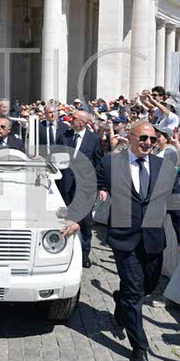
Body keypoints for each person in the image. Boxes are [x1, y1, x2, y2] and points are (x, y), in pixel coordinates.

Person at [82, 120, 180, 361]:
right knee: (134, 292)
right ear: (130, 137)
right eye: (143, 138)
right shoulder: (111, 163)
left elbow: (178, 204)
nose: (148, 143)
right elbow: (89, 186)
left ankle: (121, 300)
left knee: (147, 287)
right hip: (124, 239)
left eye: (152, 139)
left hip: (153, 240)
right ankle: (139, 348)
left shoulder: (165, 167)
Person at [58, 110, 103, 268]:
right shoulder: (64, 136)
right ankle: (63, 251)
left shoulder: (94, 139)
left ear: (82, 122)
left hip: (85, 189)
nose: (71, 120)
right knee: (64, 219)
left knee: (84, 222)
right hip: (65, 186)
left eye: (74, 118)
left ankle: (84, 254)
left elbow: (99, 164)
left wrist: (100, 187)